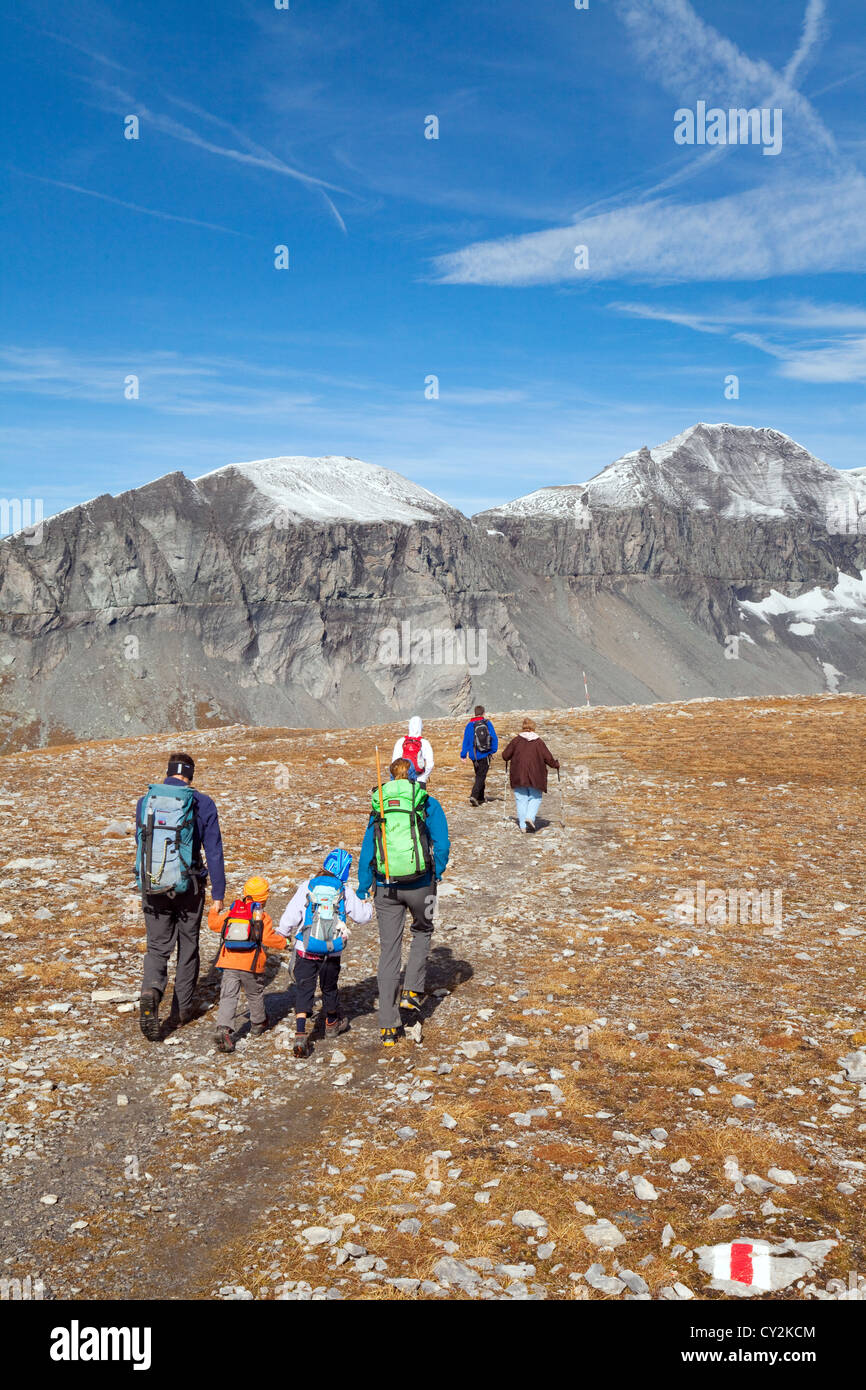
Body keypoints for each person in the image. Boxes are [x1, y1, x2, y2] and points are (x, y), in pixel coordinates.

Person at [358, 757, 450, 1047]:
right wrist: (437, 871)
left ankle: (387, 1027)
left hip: (386, 888)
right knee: (424, 929)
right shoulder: (426, 802)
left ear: (390, 776)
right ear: (414, 775)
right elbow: (443, 843)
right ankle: (412, 991)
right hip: (424, 885)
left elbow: (367, 848)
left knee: (389, 950)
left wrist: (364, 884)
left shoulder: (380, 804)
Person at [135, 751, 226, 1041]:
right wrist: (219, 894)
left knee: (158, 947)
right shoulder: (202, 803)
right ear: (191, 775)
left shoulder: (146, 801)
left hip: (153, 885)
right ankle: (181, 1010)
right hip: (190, 887)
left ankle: (151, 990)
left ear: (168, 771)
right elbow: (213, 851)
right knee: (188, 946)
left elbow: (142, 843)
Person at [279, 849, 373, 1058]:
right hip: (331, 950)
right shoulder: (344, 891)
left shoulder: (308, 886)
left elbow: (291, 914)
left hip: (306, 948)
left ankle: (301, 1033)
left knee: (305, 989)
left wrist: (283, 933)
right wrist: (368, 906)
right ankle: (332, 1022)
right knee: (329, 987)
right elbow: (363, 917)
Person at [208, 876, 288, 1053]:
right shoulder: (262, 916)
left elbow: (213, 925)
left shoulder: (233, 911)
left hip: (229, 962)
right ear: (264, 897)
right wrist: (285, 943)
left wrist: (214, 909)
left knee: (228, 996)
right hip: (251, 965)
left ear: (245, 893)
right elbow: (268, 938)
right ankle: (258, 1023)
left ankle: (224, 1028)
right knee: (254, 993)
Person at [501, 718, 560, 833]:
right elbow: (548, 758)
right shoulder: (539, 742)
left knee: (521, 800)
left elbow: (505, 756)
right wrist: (556, 764)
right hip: (536, 776)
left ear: (523, 727)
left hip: (518, 775)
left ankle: (523, 826)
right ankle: (530, 817)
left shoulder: (516, 740)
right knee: (535, 797)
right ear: (533, 727)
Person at [460, 704, 498, 806]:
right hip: (485, 754)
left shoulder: (469, 725)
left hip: (474, 756)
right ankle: (474, 795)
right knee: (481, 776)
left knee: (479, 775)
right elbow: (493, 737)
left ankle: (480, 798)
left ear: (475, 713)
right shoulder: (487, 723)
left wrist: (463, 755)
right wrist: (493, 750)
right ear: (483, 713)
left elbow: (466, 741)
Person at [391, 715, 434, 786]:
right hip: (419, 779)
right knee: (419, 797)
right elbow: (430, 764)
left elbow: (394, 762)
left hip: (401, 780)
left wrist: (395, 778)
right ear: (421, 727)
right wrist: (423, 777)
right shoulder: (424, 742)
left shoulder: (401, 741)